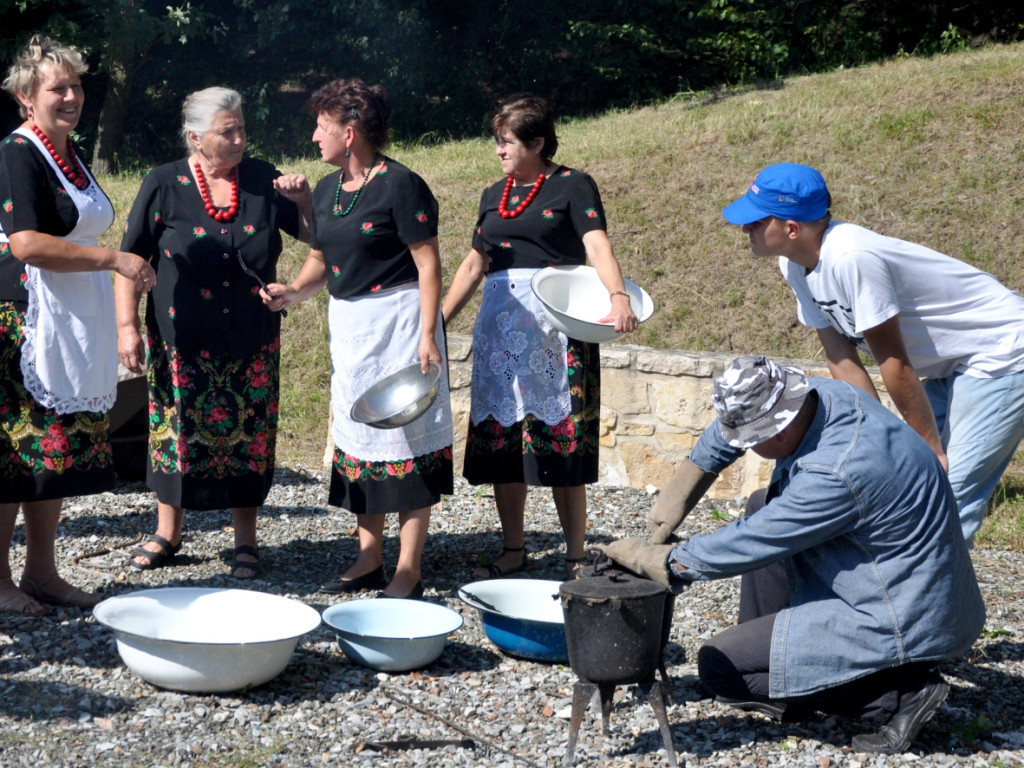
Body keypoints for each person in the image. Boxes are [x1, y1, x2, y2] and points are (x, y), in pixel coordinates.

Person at [601, 355, 985, 754]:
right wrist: (664, 516)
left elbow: (751, 541)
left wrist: (661, 560)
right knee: (759, 503)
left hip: (902, 613)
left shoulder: (837, 471)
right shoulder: (825, 395)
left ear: (779, 432)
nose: (743, 448)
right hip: (911, 580)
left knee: (720, 667)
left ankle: (897, 695)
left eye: (750, 442)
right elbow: (724, 437)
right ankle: (774, 653)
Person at [721, 162, 1024, 544]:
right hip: (950, 362)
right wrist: (874, 438)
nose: (744, 229)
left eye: (755, 221)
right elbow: (841, 358)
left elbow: (893, 362)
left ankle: (934, 598)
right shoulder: (795, 265)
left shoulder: (851, 258)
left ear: (791, 228)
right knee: (910, 473)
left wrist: (931, 450)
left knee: (949, 491)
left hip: (1000, 350)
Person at [262, 78, 452, 600]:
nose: (313, 136)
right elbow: (322, 261)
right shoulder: (326, 192)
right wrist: (293, 292)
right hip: (351, 331)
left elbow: (428, 264)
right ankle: (369, 556)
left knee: (408, 442)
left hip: (400, 324)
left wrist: (428, 335)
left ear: (349, 133)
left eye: (321, 127)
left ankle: (409, 567)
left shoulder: (401, 184)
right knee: (361, 443)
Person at [115, 86, 312, 579]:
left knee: (249, 435)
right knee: (175, 432)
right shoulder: (163, 183)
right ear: (195, 137)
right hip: (181, 338)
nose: (240, 138)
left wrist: (305, 200)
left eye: (243, 128)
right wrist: (125, 326)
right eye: (229, 131)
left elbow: (313, 235)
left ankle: (245, 540)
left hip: (251, 335)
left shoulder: (265, 178)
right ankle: (168, 532)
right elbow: (131, 259)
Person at [442, 93, 637, 580]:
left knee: (561, 439)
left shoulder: (572, 185)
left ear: (537, 142)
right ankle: (513, 548)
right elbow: (473, 264)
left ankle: (574, 554)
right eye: (497, 141)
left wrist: (618, 296)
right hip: (500, 330)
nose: (498, 150)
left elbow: (596, 244)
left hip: (557, 329)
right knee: (505, 442)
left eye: (506, 141)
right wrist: (436, 321)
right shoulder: (494, 194)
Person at [0, 34, 156, 614]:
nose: (71, 96)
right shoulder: (18, 152)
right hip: (24, 322)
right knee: (17, 454)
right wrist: (113, 258)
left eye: (77, 85)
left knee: (54, 453)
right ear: (26, 98)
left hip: (71, 317)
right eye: (56, 87)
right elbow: (25, 243)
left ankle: (42, 572)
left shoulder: (66, 150)